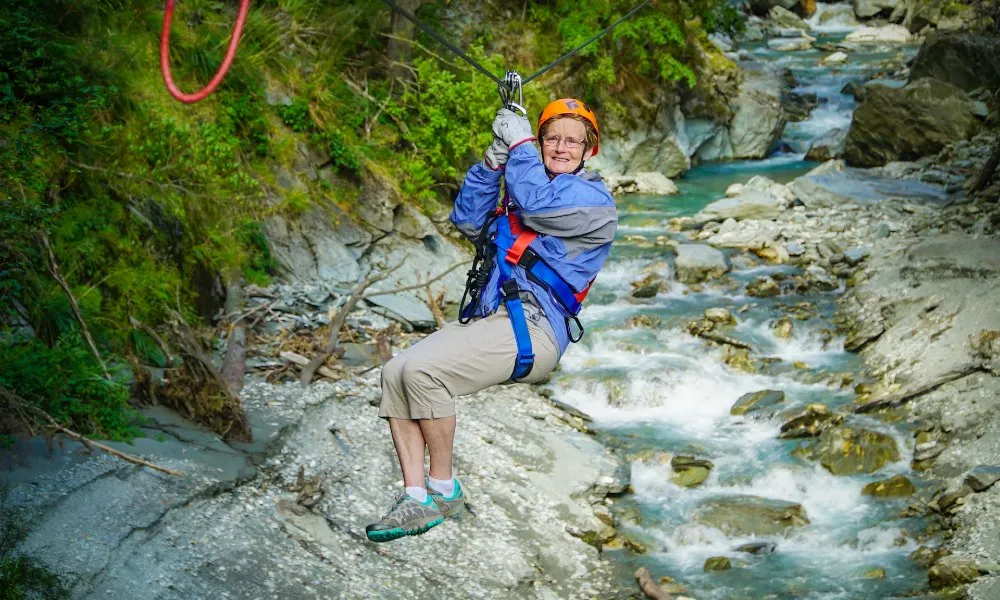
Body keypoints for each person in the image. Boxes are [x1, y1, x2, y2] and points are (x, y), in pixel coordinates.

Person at [366, 99, 618, 543]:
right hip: (493, 319)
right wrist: (491, 162)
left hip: (533, 329)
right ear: (542, 143)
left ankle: (442, 490)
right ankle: (414, 496)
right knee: (395, 372)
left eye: (572, 142)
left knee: (424, 373)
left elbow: (539, 204)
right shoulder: (521, 192)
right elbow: (466, 219)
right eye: (552, 138)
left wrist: (520, 142)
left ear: (587, 151)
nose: (561, 147)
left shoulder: (593, 202)